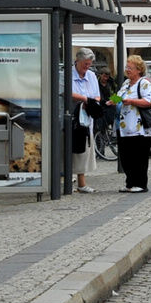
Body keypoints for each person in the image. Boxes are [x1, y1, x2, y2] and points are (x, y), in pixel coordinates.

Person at [115, 55, 151, 193]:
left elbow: (149, 101)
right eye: (127, 67)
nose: (127, 70)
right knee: (126, 156)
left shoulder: (145, 83)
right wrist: (112, 101)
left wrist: (131, 101)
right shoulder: (126, 83)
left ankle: (141, 184)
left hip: (140, 128)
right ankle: (130, 183)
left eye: (130, 67)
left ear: (139, 69)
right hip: (124, 126)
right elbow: (120, 96)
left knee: (139, 157)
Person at [69, 48, 101, 194]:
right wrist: (85, 99)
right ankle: (66, 181)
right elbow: (67, 93)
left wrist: (91, 101)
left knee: (83, 151)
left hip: (86, 120)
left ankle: (82, 183)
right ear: (77, 61)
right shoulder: (67, 74)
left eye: (89, 64)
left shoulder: (92, 76)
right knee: (69, 150)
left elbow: (97, 96)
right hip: (71, 119)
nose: (87, 67)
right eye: (85, 64)